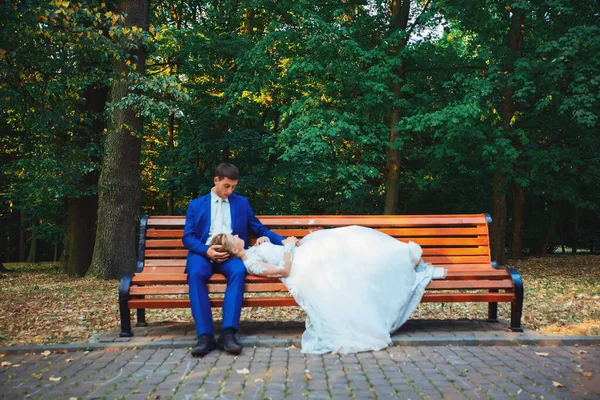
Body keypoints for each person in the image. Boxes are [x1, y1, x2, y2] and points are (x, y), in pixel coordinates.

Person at [211, 226, 447, 354]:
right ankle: (401, 260)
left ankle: (400, 256)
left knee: (348, 237)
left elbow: (271, 253)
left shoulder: (253, 250)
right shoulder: (249, 263)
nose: (238, 234)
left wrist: (266, 242)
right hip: (303, 265)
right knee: (344, 255)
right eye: (233, 236)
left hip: (303, 255)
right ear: (232, 247)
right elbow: (284, 270)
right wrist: (289, 246)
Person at [182, 162, 284, 358]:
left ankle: (228, 334)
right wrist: (206, 251)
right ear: (216, 180)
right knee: (195, 274)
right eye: (226, 186)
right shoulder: (196, 205)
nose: (230, 190)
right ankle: (204, 336)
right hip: (203, 253)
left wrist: (284, 241)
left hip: (231, 255)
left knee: (238, 271)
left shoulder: (241, 203)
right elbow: (188, 237)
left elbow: (259, 229)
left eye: (233, 187)